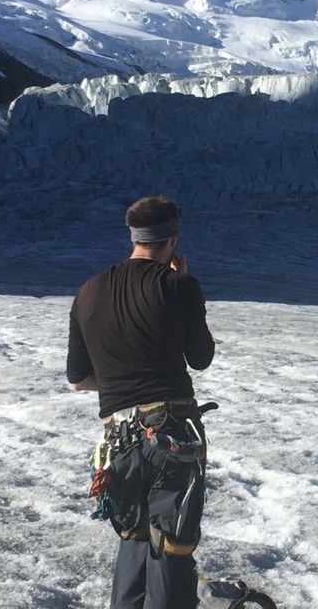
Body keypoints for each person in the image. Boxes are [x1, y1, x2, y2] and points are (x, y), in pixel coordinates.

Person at [68, 195, 216, 609]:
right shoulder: (177, 286)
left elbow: (79, 380)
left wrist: (124, 380)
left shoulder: (88, 292)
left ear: (133, 237)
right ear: (173, 240)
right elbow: (200, 357)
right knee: (172, 548)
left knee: (134, 541)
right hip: (172, 435)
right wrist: (185, 286)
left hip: (117, 441)